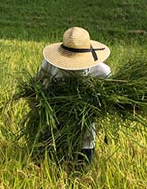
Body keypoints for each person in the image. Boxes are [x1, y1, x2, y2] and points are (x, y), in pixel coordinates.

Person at [36, 27, 111, 164]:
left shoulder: (101, 72)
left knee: (80, 173)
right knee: (49, 171)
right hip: (52, 132)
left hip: (84, 136)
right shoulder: (49, 64)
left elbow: (106, 102)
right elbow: (38, 91)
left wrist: (94, 108)